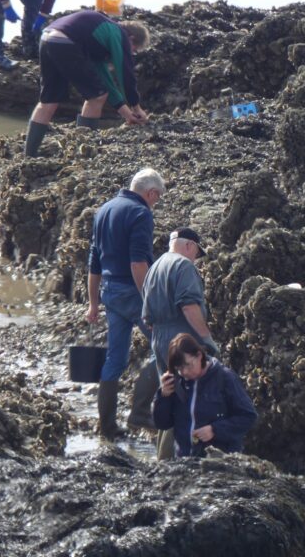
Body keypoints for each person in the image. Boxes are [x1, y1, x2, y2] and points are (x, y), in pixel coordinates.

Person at [86, 168, 165, 438]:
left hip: (109, 292)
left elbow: (94, 261)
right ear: (151, 192)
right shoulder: (140, 213)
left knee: (115, 358)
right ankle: (140, 412)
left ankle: (107, 427)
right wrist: (150, 302)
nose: (155, 204)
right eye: (157, 199)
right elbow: (138, 263)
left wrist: (93, 303)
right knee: (164, 346)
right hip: (132, 293)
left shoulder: (103, 210)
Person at [24, 10, 150, 158]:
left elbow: (106, 82)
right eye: (133, 50)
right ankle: (83, 154)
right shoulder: (118, 34)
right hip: (66, 41)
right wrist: (136, 106)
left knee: (48, 101)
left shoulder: (97, 38)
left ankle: (29, 155)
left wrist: (128, 115)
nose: (131, 53)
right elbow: (125, 72)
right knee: (96, 97)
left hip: (47, 38)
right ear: (131, 38)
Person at [141, 226, 220, 458]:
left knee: (169, 396)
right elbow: (189, 306)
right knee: (184, 402)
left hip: (159, 338)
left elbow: (147, 318)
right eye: (197, 253)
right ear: (189, 246)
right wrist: (205, 339)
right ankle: (168, 463)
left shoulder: (155, 267)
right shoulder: (183, 266)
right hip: (182, 338)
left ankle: (162, 458)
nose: (196, 259)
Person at [152, 333, 258, 458]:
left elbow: (248, 417)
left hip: (221, 461)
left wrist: (215, 430)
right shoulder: (177, 383)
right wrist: (163, 397)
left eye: (188, 365)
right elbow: (162, 424)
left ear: (199, 355)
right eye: (179, 368)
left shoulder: (225, 378)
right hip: (184, 460)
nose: (184, 372)